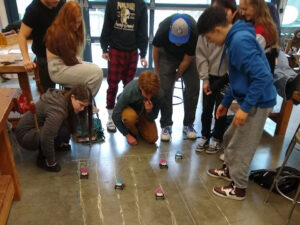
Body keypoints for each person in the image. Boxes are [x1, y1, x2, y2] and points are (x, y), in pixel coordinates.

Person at [197, 6, 277, 200]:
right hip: (250, 98)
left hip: (258, 102)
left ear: (217, 30)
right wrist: (226, 101)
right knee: (229, 136)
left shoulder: (239, 42)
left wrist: (246, 108)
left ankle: (238, 187)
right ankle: (229, 170)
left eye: (209, 38)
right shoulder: (234, 38)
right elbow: (238, 76)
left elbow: (261, 77)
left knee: (241, 147)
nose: (210, 43)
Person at [15, 84, 93, 172]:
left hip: (33, 130)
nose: (82, 109)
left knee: (65, 127)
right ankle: (43, 160)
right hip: (25, 136)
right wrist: (51, 162)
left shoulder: (65, 98)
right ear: (72, 97)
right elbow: (46, 137)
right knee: (58, 131)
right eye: (81, 105)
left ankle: (58, 144)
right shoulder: (57, 110)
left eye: (85, 106)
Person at [195, 0, 239, 154]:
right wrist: (205, 79)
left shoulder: (235, 36)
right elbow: (201, 56)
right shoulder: (206, 29)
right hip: (210, 75)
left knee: (221, 109)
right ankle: (205, 135)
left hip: (226, 78)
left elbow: (239, 69)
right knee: (206, 108)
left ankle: (217, 138)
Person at [100, 0, 148, 133]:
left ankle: (126, 115)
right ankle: (110, 117)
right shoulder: (112, 2)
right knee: (112, 85)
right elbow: (107, 25)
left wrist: (143, 53)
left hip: (132, 51)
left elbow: (143, 30)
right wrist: (104, 48)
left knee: (130, 88)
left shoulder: (141, 4)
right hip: (115, 50)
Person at [152, 13, 199, 142]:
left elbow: (187, 59)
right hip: (166, 55)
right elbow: (155, 50)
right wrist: (157, 71)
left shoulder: (194, 31)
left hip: (187, 57)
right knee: (165, 89)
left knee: (193, 88)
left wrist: (178, 74)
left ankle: (188, 124)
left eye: (181, 41)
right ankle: (166, 125)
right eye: (176, 40)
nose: (178, 44)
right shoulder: (163, 28)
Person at [45, 1, 103, 98]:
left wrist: (74, 60)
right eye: (74, 22)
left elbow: (70, 58)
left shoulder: (64, 28)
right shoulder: (59, 32)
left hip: (63, 63)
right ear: (67, 19)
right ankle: (83, 102)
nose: (77, 25)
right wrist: (75, 60)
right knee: (97, 74)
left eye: (79, 22)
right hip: (58, 69)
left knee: (94, 70)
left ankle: (80, 101)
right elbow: (70, 60)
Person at [18, 0, 65, 91]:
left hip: (62, 55)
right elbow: (22, 35)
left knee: (71, 91)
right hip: (44, 57)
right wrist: (27, 60)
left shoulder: (61, 4)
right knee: (48, 93)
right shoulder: (33, 10)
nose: (57, 0)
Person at [112, 71, 163, 145]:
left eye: (152, 95)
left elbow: (153, 117)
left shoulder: (159, 94)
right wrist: (127, 135)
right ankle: (132, 130)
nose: (149, 97)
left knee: (153, 138)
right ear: (140, 87)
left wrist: (149, 111)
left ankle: (138, 127)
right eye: (146, 93)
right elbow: (115, 115)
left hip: (143, 113)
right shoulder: (129, 91)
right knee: (130, 117)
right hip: (129, 110)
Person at [239, 0, 279, 74]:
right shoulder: (262, 25)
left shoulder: (260, 32)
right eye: (241, 9)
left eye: (245, 9)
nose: (242, 13)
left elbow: (245, 60)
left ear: (256, 7)